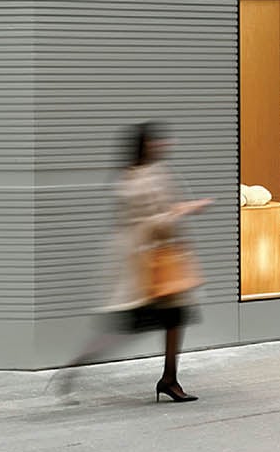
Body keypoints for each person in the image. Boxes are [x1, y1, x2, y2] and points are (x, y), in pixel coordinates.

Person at [51, 122, 213, 403]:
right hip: (146, 268)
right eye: (155, 143)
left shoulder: (142, 176)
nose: (162, 146)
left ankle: (169, 379)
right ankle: (73, 370)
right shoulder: (136, 183)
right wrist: (188, 209)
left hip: (155, 262)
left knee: (175, 319)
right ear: (144, 146)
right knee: (124, 329)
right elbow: (152, 222)